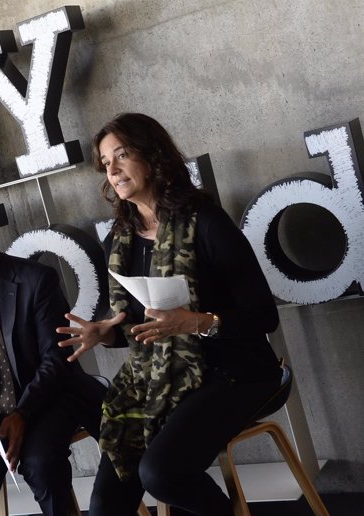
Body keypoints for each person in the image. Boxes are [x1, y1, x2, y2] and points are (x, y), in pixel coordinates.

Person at [56, 113, 283, 516]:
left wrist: (197, 322)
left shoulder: (207, 223)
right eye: (106, 163)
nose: (113, 169)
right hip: (159, 377)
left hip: (235, 369)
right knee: (106, 505)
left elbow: (264, 316)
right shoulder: (119, 239)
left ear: (153, 155)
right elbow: (135, 329)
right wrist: (106, 332)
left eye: (122, 155)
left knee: (161, 474)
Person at [0, 202, 106, 516]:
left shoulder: (37, 279)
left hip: (49, 398)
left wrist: (22, 413)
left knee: (40, 465)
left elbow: (57, 358)